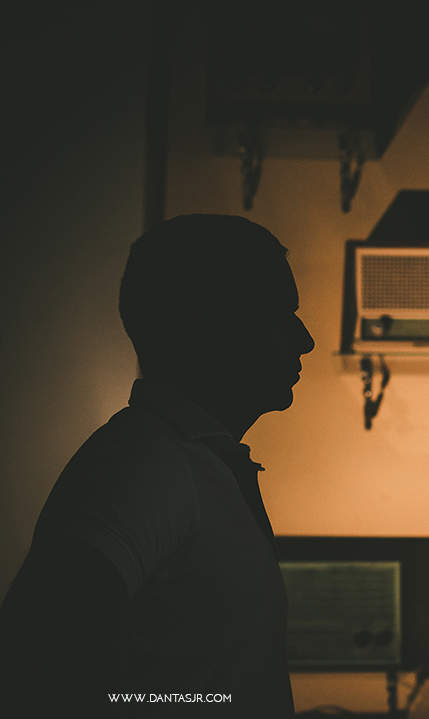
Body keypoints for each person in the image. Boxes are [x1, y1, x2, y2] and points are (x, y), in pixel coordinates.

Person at [0, 214, 314, 717]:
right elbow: (34, 665)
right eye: (281, 313)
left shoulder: (188, 460)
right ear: (215, 322)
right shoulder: (147, 464)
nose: (304, 340)